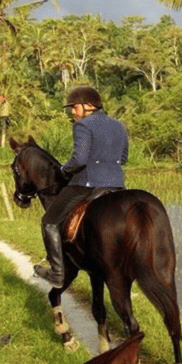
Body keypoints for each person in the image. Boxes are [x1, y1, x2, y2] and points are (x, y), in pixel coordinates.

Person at [34, 86, 129, 288]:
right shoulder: (119, 125)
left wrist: (64, 170)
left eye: (74, 107)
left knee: (49, 221)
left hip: (88, 183)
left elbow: (79, 159)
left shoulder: (83, 125)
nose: (72, 111)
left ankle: (57, 273)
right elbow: (123, 157)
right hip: (117, 183)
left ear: (89, 106)